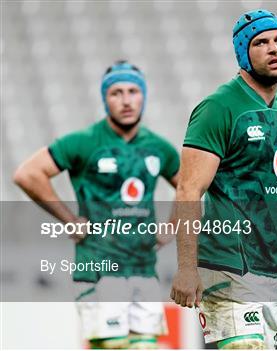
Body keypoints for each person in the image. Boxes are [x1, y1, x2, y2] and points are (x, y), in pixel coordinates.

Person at [169, 9, 277, 350]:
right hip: (226, 266)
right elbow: (189, 188)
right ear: (243, 52)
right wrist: (186, 268)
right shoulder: (218, 107)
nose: (274, 48)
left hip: (269, 271)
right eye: (261, 43)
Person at [13, 60, 180, 349]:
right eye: (116, 93)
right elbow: (27, 174)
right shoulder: (85, 142)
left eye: (132, 91)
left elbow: (190, 186)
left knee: (146, 347)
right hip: (98, 266)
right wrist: (68, 218)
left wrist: (173, 226)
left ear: (143, 96)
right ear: (105, 98)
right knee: (112, 346)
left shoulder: (158, 147)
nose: (126, 100)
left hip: (143, 267)